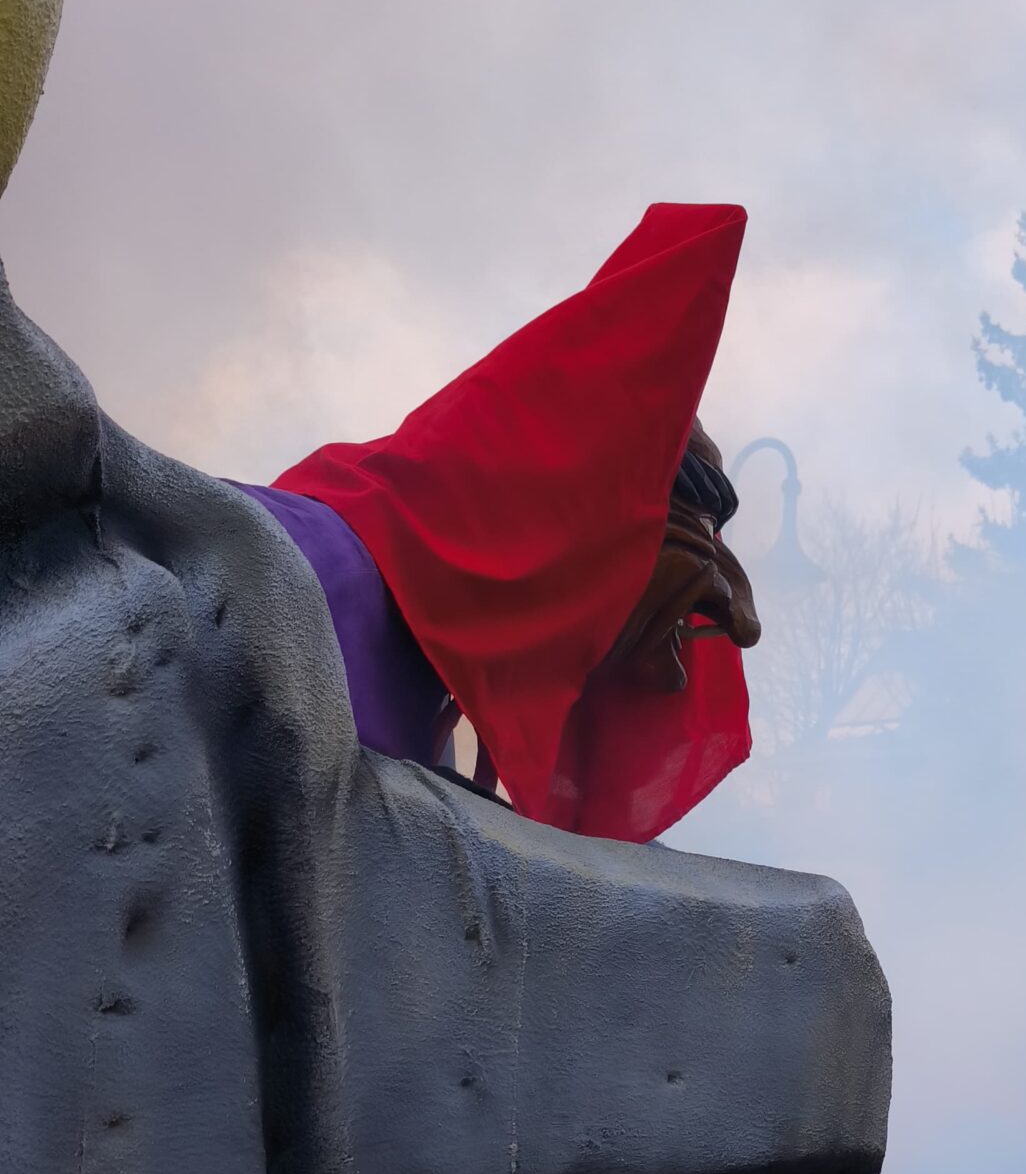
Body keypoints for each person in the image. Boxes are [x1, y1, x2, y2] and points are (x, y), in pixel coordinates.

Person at [234, 202, 761, 845]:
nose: (675, 672)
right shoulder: (303, 571)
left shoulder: (427, 693)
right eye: (680, 616)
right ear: (590, 531)